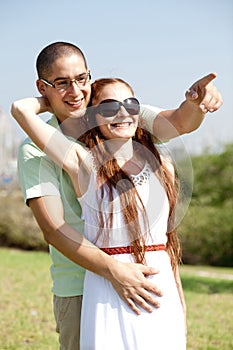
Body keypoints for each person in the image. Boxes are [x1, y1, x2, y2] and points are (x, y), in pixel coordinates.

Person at [13, 41, 223, 350]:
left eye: (81, 79)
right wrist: (52, 102)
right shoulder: (50, 151)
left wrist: (196, 103)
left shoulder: (124, 116)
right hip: (81, 282)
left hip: (153, 279)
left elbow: (180, 121)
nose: (74, 90)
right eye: (61, 83)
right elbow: (54, 230)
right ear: (42, 87)